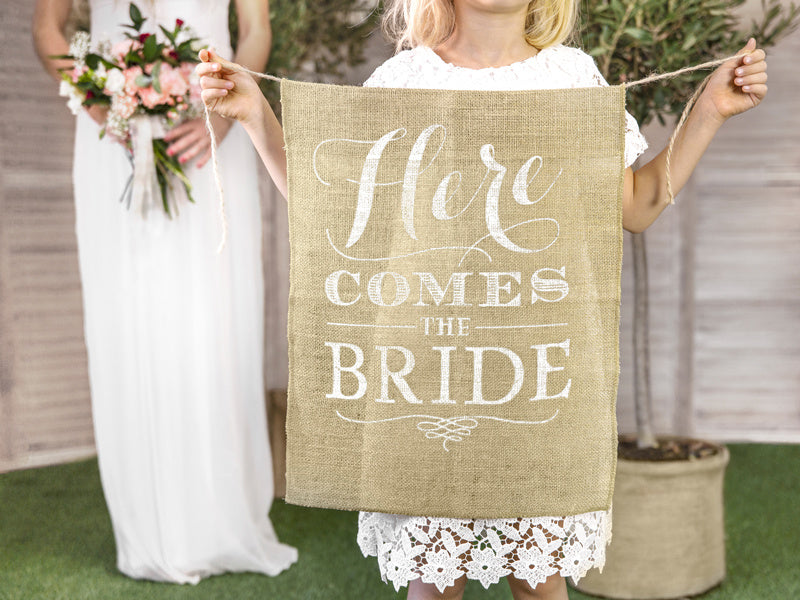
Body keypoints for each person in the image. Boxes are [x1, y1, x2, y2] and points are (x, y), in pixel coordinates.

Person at [197, 0, 768, 597]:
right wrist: (256, 115)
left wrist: (710, 109)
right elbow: (339, 207)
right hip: (426, 371)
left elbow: (638, 205)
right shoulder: (405, 79)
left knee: (540, 578)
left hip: (536, 375)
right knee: (433, 580)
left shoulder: (571, 78)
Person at [32, 0, 297, 584]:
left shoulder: (220, 121)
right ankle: (147, 527)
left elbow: (255, 30)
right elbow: (47, 27)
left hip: (210, 128)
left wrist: (222, 119)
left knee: (213, 314)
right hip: (111, 137)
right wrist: (102, 107)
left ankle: (223, 518)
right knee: (128, 312)